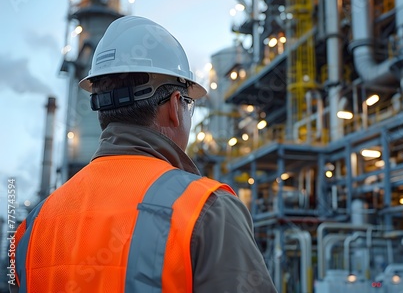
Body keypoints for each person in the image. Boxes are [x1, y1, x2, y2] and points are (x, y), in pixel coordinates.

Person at [11, 16, 277, 292]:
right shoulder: (208, 210)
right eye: (189, 105)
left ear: (101, 110)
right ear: (175, 107)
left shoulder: (34, 225)